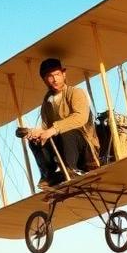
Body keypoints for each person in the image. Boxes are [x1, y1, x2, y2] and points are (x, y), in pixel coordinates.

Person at [23, 58, 100, 189]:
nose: (55, 79)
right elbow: (46, 128)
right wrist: (36, 133)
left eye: (57, 74)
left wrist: (54, 129)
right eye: (50, 76)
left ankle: (71, 169)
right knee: (35, 141)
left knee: (66, 131)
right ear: (44, 80)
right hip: (62, 148)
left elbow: (80, 118)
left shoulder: (75, 92)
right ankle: (49, 174)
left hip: (84, 147)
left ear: (64, 74)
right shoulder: (47, 102)